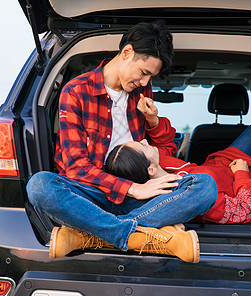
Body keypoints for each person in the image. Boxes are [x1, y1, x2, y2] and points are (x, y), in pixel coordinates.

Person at [27, 21, 218, 264]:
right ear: (127, 53)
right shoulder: (75, 92)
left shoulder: (141, 94)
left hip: (140, 196)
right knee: (39, 186)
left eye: (151, 77)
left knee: (205, 186)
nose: (146, 82)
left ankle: (92, 234)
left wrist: (152, 121)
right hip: (91, 196)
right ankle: (142, 234)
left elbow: (160, 152)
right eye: (144, 72)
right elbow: (75, 167)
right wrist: (133, 189)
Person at [105, 109, 251, 224]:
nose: (147, 142)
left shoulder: (158, 164)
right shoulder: (190, 197)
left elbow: (165, 145)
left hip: (227, 161)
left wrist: (153, 120)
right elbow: (246, 209)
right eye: (143, 147)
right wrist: (241, 174)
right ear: (150, 170)